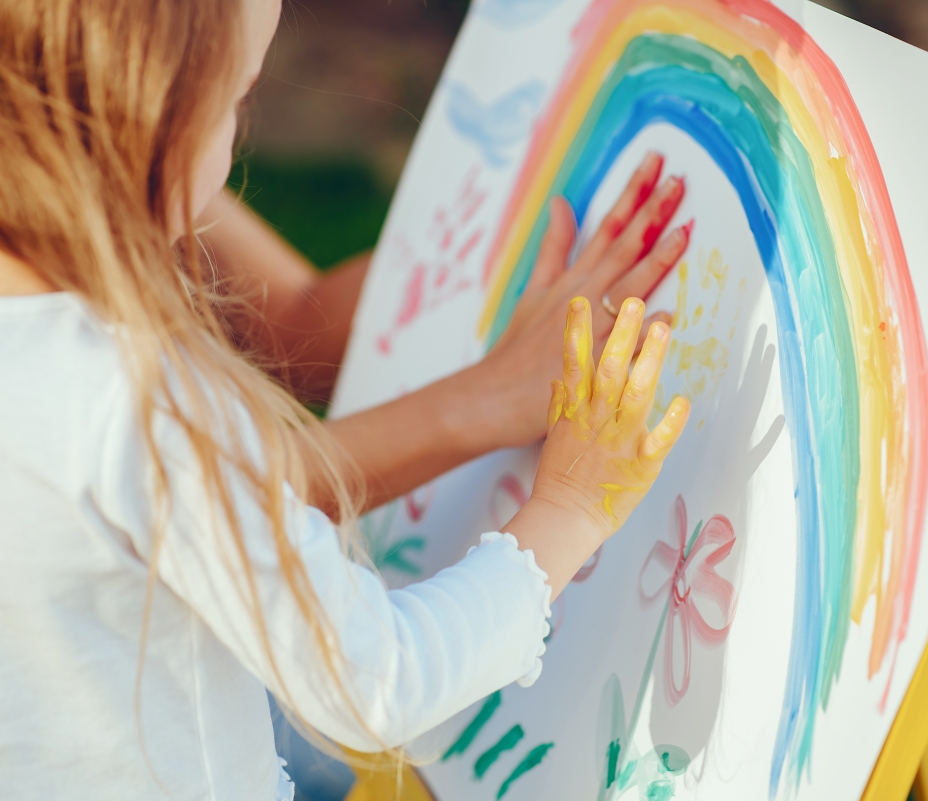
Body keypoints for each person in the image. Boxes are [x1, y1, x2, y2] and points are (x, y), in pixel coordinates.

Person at [0, 1, 691, 799]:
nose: (236, 135)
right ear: (157, 117)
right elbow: (376, 679)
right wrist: (570, 506)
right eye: (239, 99)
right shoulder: (144, 403)